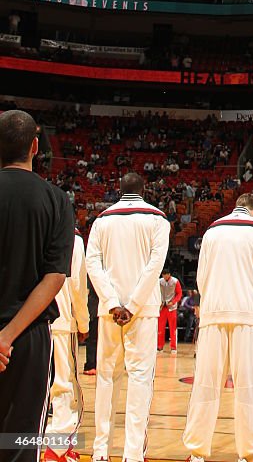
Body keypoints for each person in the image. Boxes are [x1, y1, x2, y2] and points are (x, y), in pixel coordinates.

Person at [0, 110, 75, 462]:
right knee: (21, 439)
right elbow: (55, 276)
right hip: (28, 336)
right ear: (35, 146)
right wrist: (8, 335)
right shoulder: (57, 200)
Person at [183, 193, 253, 462]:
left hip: (213, 312)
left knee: (205, 384)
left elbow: (202, 276)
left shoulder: (213, 230)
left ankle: (197, 452)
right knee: (249, 386)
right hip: (248, 314)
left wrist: (212, 301)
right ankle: (248, 454)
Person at [86, 172, 170, 462]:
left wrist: (111, 302)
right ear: (144, 190)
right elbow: (154, 266)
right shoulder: (158, 219)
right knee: (139, 380)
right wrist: (133, 304)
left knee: (106, 379)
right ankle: (132, 454)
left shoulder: (101, 220)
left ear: (118, 190)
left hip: (109, 312)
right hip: (142, 312)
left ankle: (100, 452)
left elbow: (92, 264)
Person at [45, 226, 90, 460]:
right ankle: (57, 450)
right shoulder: (71, 237)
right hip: (60, 319)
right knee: (64, 385)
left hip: (22, 321)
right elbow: (78, 286)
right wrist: (84, 323)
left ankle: (20, 447)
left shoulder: (27, 228)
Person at [158, 267, 182, 354]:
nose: (165, 277)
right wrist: (159, 301)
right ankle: (160, 347)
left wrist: (173, 301)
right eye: (163, 275)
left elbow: (179, 293)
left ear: (169, 274)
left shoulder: (175, 281)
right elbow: (157, 292)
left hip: (172, 308)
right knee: (160, 327)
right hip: (162, 307)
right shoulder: (160, 281)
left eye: (166, 275)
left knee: (173, 328)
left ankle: (173, 347)